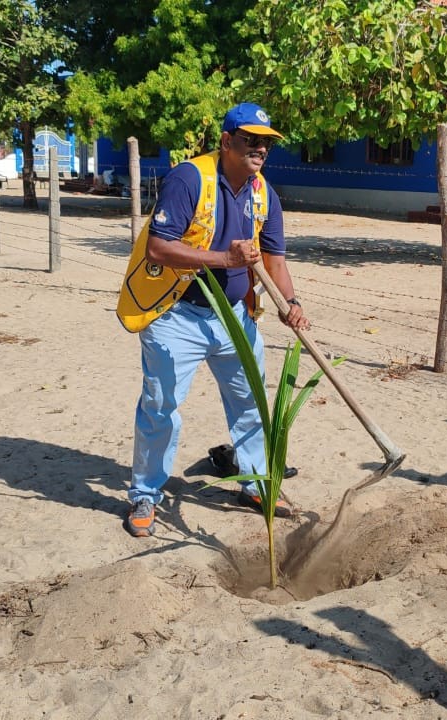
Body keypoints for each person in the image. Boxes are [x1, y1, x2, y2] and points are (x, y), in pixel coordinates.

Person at [115, 102, 310, 537]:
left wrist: (289, 302)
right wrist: (224, 258)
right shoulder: (189, 178)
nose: (260, 149)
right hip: (177, 316)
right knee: (161, 407)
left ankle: (256, 482)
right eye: (250, 140)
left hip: (236, 319)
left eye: (266, 143)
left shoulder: (264, 193)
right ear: (227, 141)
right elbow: (159, 249)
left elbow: (275, 258)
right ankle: (145, 495)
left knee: (252, 404)